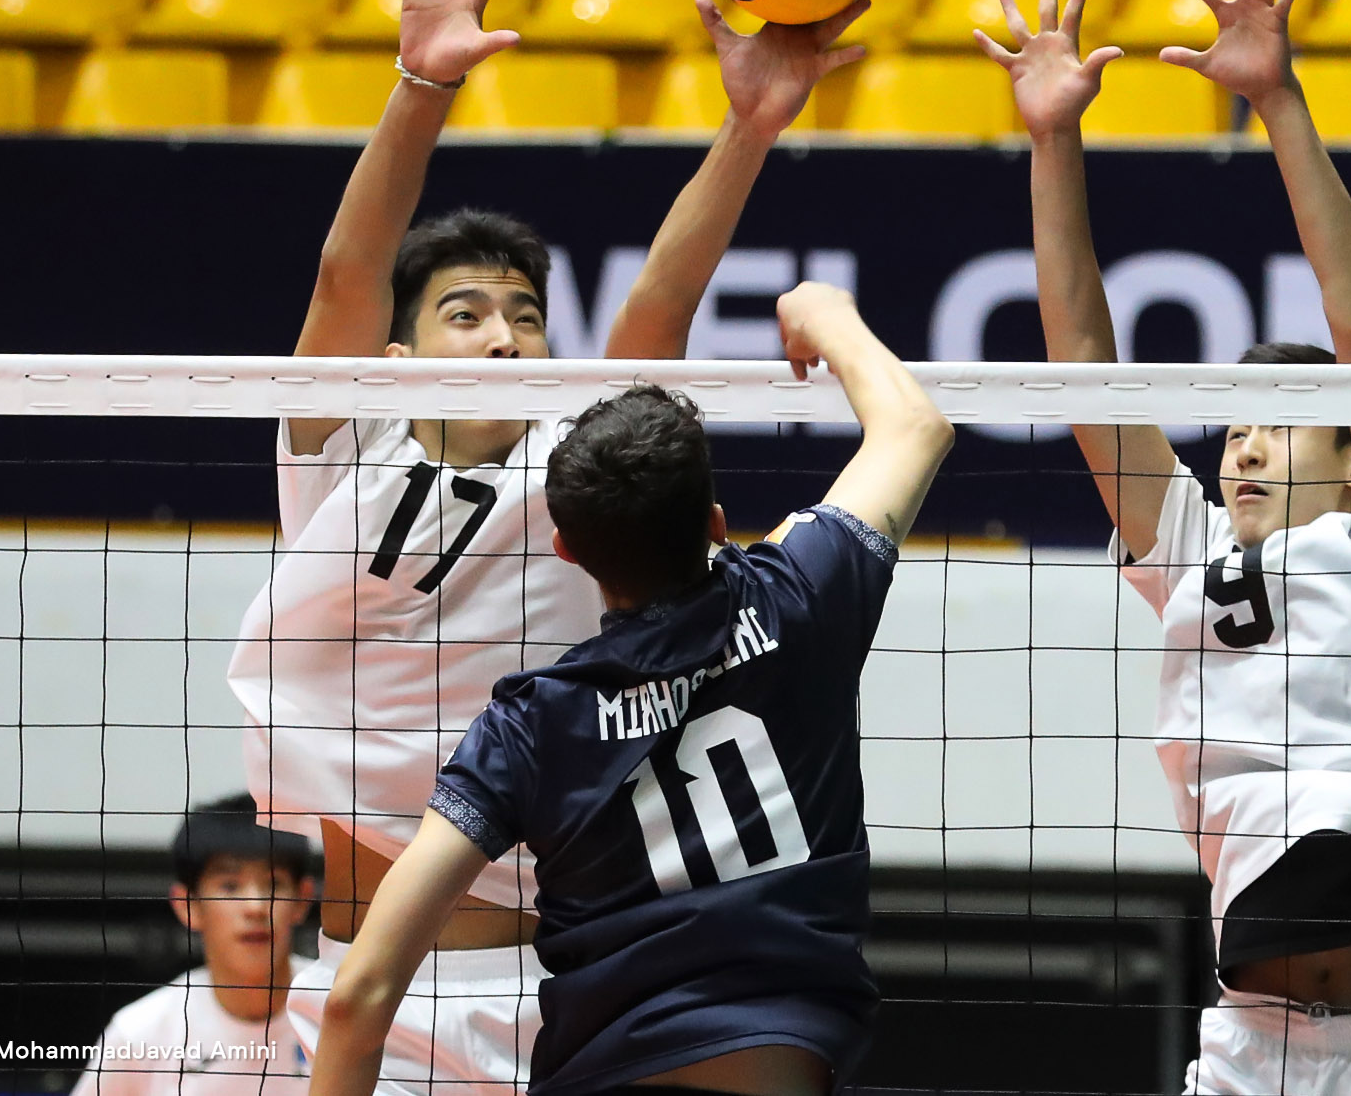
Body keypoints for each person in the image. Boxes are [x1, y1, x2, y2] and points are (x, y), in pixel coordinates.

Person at [224, 0, 871, 1095]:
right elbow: (346, 272)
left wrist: (749, 125)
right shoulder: (340, 448)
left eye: (525, 315)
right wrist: (421, 82)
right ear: (396, 359)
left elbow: (657, 312)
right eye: (465, 313)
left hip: (540, 985)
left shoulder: (578, 469)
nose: (504, 335)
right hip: (363, 985)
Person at [976, 0, 1351, 1094]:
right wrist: (1051, 139)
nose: (1246, 447)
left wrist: (1276, 103)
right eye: (1231, 430)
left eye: (1282, 422)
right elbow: (1080, 366)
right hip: (1248, 1048)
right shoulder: (1191, 552)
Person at [305, 281, 953, 1096]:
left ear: (566, 548)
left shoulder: (527, 726)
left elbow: (356, 998)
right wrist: (826, 313)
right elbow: (915, 426)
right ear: (715, 520)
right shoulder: (799, 596)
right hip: (780, 1061)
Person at [73, 795, 317, 1096]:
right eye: (230, 886)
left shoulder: (342, 1011)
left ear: (302, 899)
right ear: (187, 905)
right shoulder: (139, 1035)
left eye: (274, 884)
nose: (255, 907)